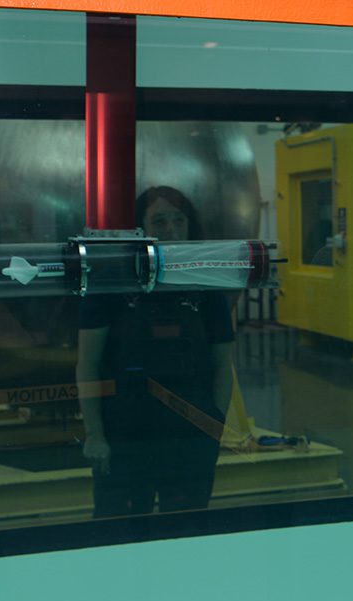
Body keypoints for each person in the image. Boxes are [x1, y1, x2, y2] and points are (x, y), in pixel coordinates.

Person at [76, 186, 235, 516]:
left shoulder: (205, 286)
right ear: (140, 228)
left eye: (179, 220)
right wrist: (95, 435)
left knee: (187, 529)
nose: (171, 229)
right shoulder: (111, 283)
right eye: (159, 221)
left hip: (189, 435)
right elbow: (87, 366)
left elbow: (223, 365)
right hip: (125, 435)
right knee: (119, 530)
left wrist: (213, 427)